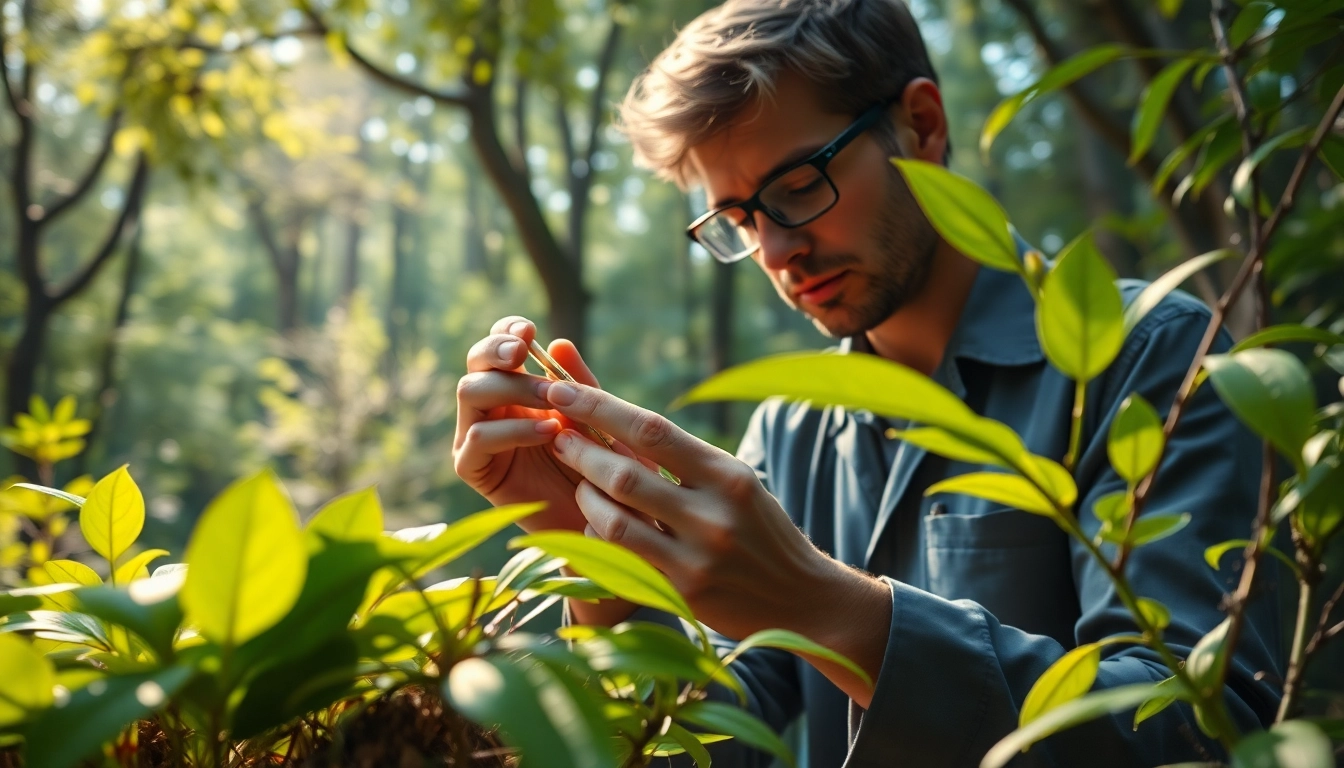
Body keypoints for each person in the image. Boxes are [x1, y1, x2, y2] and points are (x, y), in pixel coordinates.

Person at [451, 0, 1283, 765]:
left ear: (920, 124)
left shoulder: (1146, 359)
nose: (774, 253)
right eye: (738, 218)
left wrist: (831, 611)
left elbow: (1200, 729)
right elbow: (727, 743)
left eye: (797, 187)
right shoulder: (793, 430)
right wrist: (596, 553)